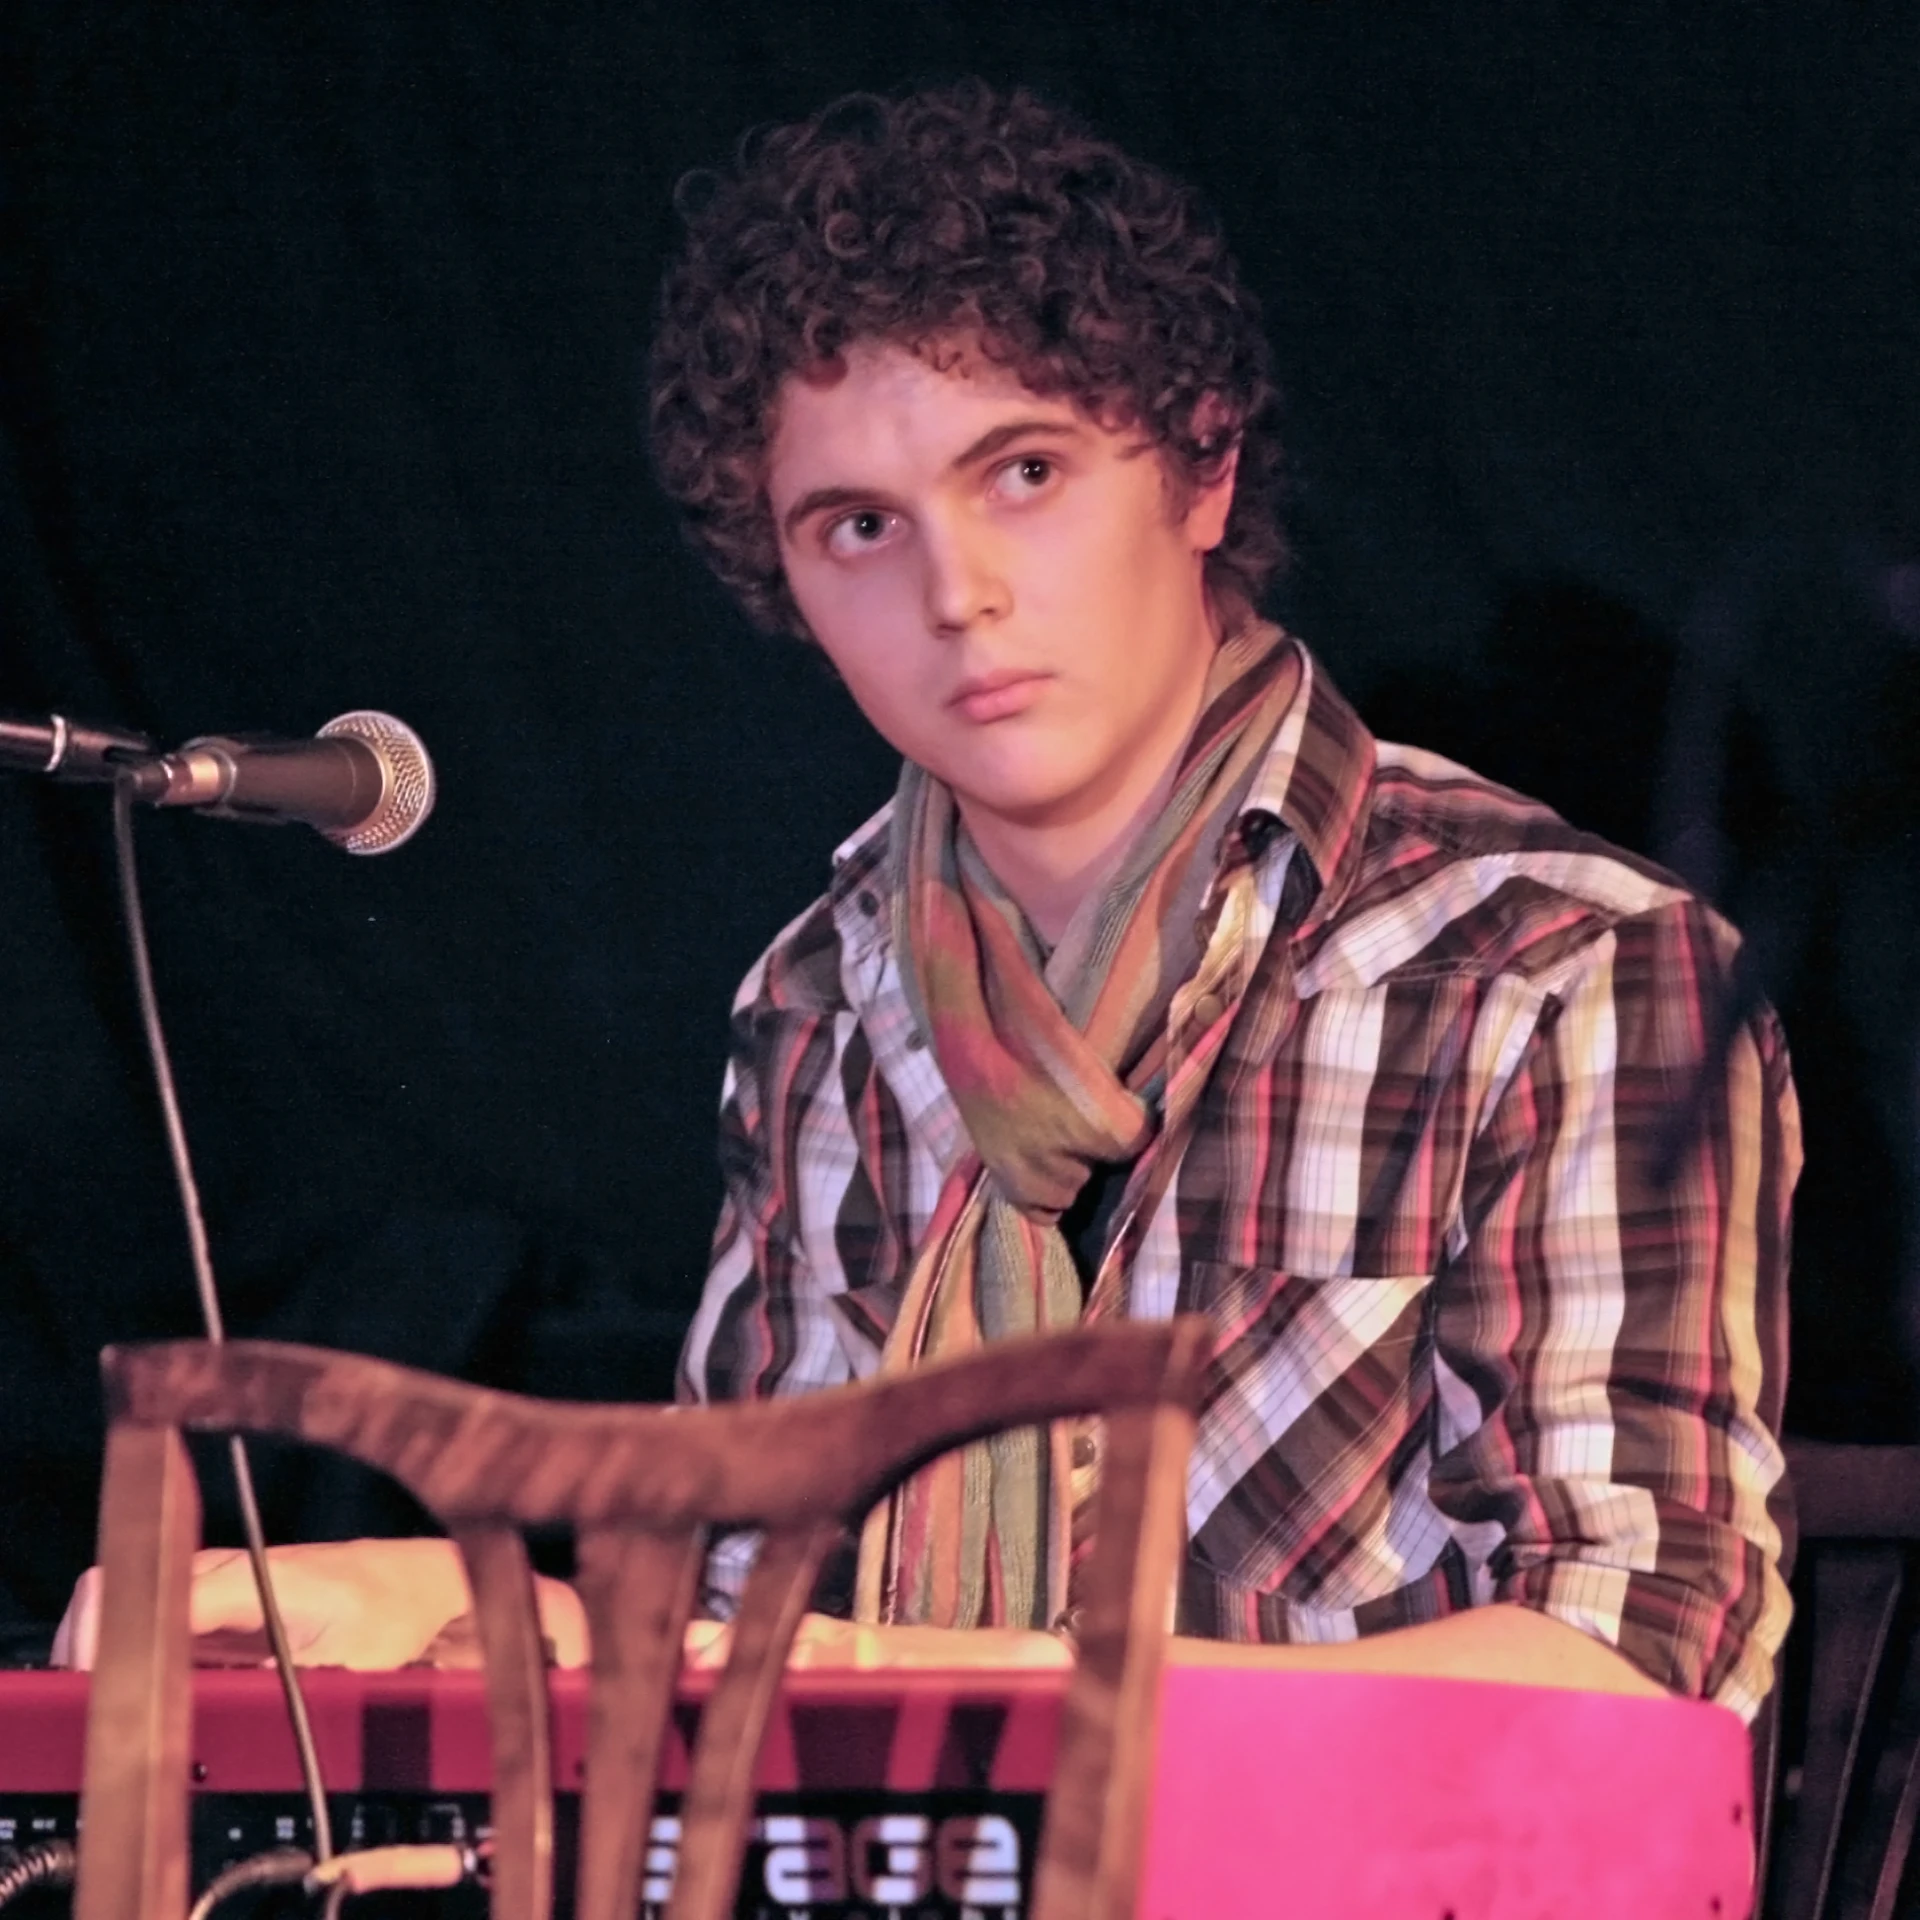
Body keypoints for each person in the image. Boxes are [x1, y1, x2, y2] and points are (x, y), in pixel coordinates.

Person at [57, 81, 1796, 1718]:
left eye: (1023, 473)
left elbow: (1639, 1667)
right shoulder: (818, 1000)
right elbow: (760, 1638)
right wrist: (436, 1605)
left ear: (1201, 469)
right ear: (786, 578)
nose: (956, 592)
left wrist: (1009, 1703)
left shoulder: (1560, 970)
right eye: (857, 527)